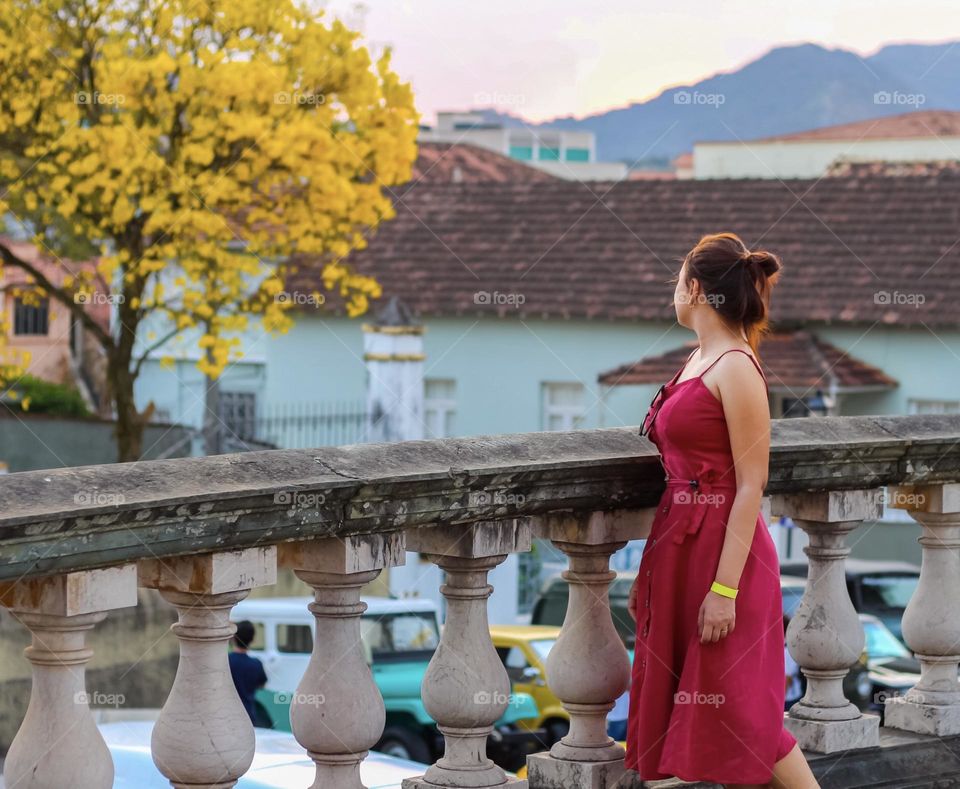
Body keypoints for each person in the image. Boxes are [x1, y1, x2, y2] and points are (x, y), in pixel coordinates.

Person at [624, 233, 819, 789]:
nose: (673, 293)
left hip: (724, 552)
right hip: (679, 539)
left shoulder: (735, 365)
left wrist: (725, 589)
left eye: (677, 281)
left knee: (742, 712)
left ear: (694, 289)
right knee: (672, 699)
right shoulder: (698, 357)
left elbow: (752, 482)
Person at [229, 620, 269, 726]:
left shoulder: (226, 661)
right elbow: (262, 685)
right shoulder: (256, 664)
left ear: (233, 638)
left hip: (227, 715)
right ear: (252, 640)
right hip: (249, 715)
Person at [783, 615, 804, 711]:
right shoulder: (789, 648)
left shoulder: (786, 651)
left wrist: (780, 702)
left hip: (789, 700)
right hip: (790, 698)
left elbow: (787, 679)